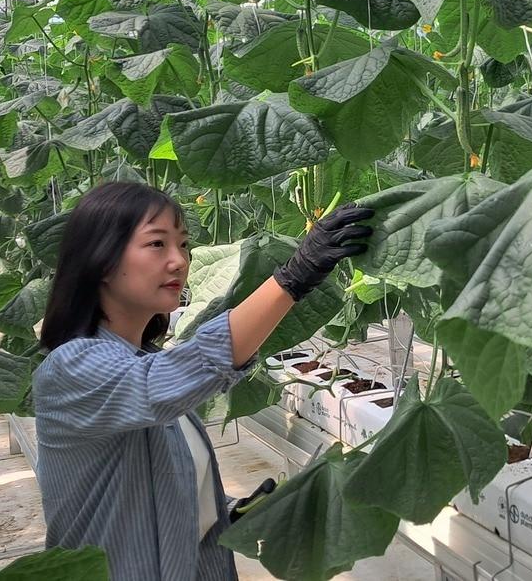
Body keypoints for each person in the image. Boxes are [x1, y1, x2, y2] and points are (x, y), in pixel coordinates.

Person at [32, 181, 373, 581]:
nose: (179, 260)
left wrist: (231, 509)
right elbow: (164, 381)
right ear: (100, 260)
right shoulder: (72, 367)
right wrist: (293, 279)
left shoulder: (147, 359)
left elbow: (157, 485)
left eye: (183, 245)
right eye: (157, 244)